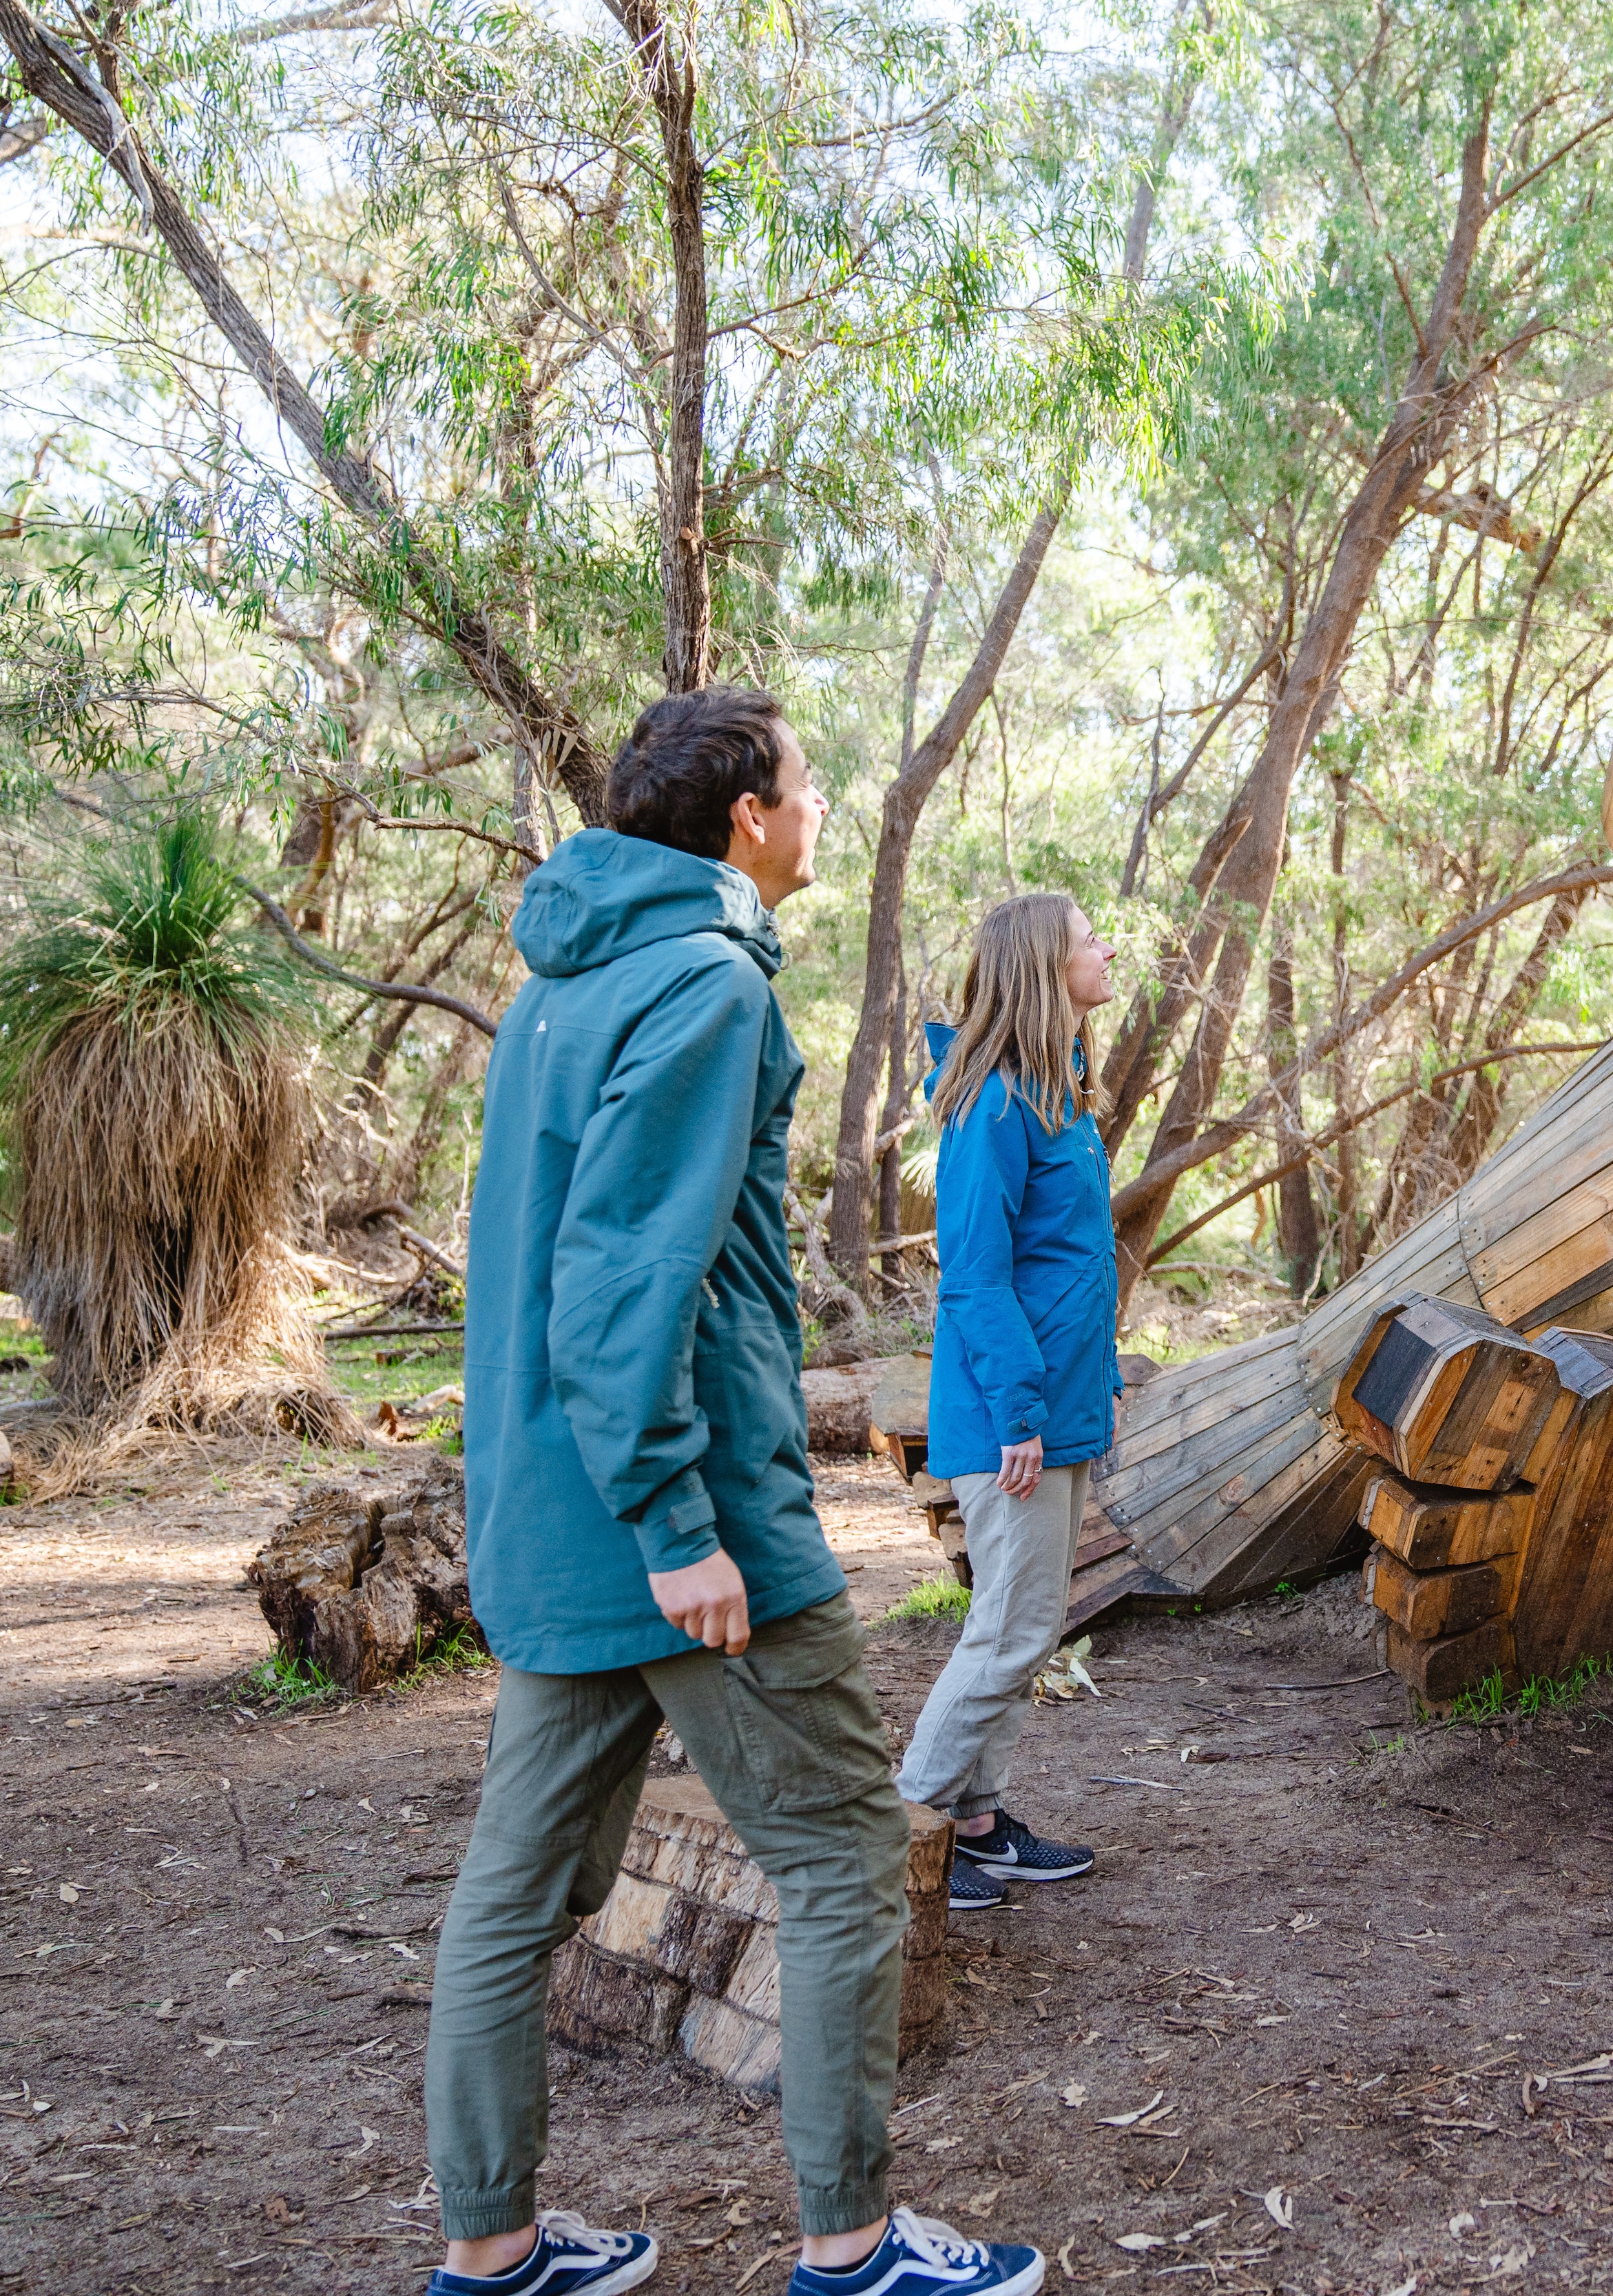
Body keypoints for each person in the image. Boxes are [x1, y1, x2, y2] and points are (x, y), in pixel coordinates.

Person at [426, 687, 1042, 2296]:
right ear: (747, 821)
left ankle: (487, 2246)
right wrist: (680, 1525)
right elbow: (630, 1273)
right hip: (688, 1521)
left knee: (521, 1890)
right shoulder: (704, 985)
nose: (823, 802)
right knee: (843, 1851)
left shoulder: (562, 986)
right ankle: (850, 2245)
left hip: (554, 1524)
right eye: (807, 781)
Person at [895, 891, 1121, 1913]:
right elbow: (975, 1277)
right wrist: (1024, 1412)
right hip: (1008, 1421)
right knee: (1012, 1633)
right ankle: (902, 1831)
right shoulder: (992, 1105)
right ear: (1045, 966)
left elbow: (1063, 1267)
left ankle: (977, 1825)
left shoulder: (1056, 1092)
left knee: (1021, 1622)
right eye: (1088, 939)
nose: (1105, 948)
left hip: (1053, 1411)